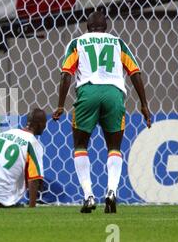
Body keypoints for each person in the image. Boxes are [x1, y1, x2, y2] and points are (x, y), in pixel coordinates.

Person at [52, 11, 152, 214]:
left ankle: (89, 196)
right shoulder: (118, 43)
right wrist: (144, 105)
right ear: (106, 27)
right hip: (114, 93)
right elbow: (135, 72)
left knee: (80, 145)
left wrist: (61, 105)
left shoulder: (77, 43)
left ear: (87, 26)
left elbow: (65, 75)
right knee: (114, 147)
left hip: (88, 92)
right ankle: (112, 192)